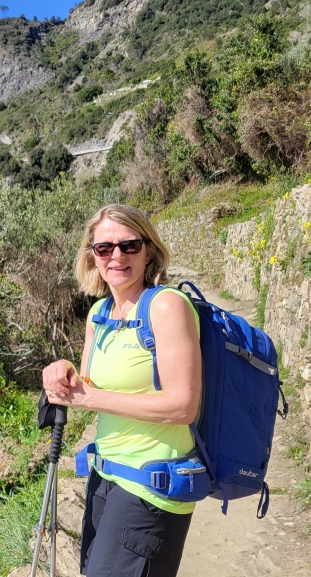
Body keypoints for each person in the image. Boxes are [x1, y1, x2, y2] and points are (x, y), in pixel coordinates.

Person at [42, 203, 202, 577]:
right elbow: (88, 385)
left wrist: (90, 397)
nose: (116, 256)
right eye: (104, 248)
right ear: (92, 255)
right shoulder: (99, 314)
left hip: (151, 485)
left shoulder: (166, 306)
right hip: (106, 478)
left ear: (148, 250)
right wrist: (63, 369)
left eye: (129, 245)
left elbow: (183, 406)